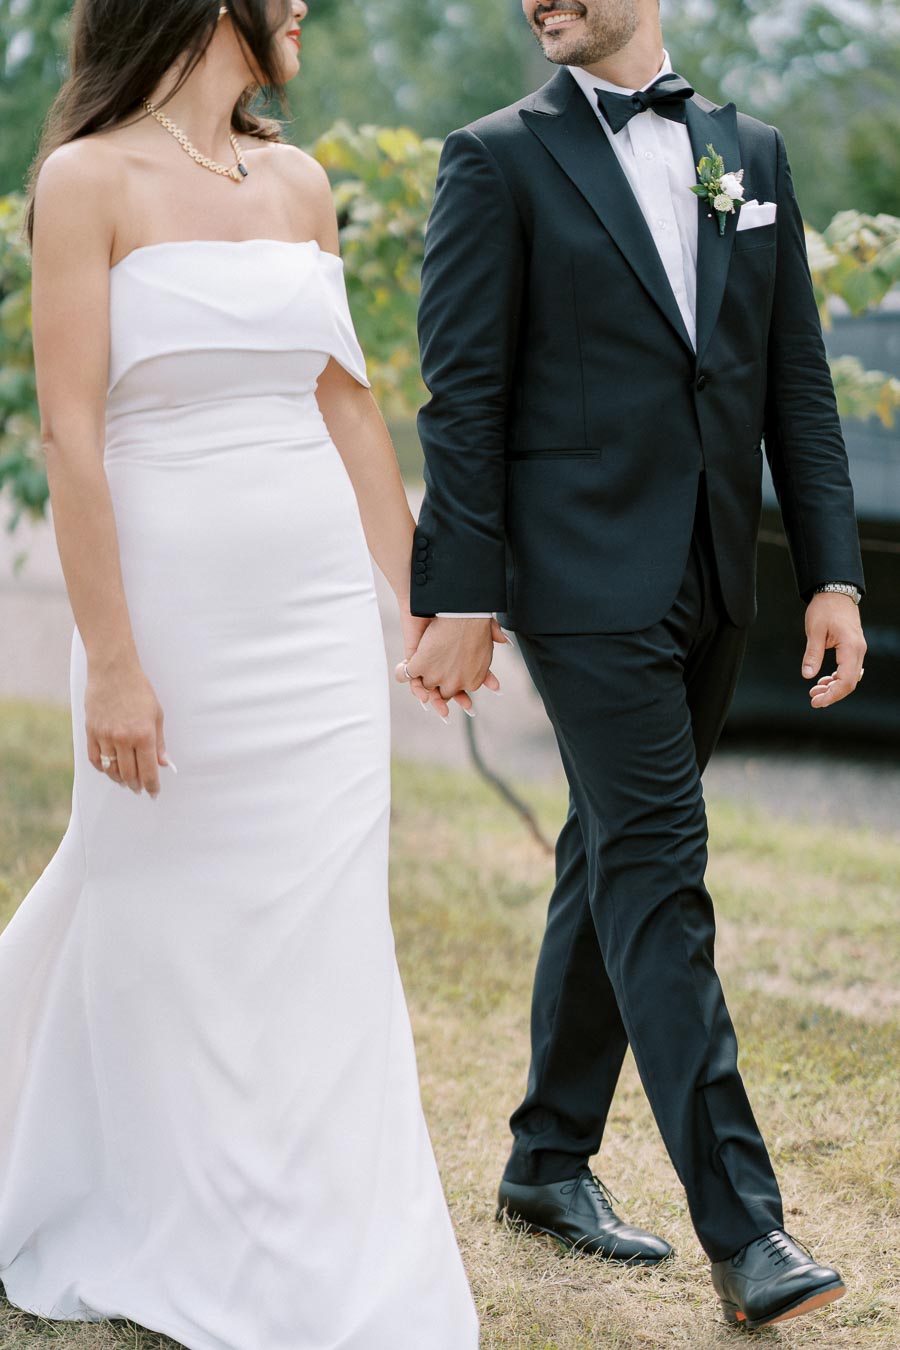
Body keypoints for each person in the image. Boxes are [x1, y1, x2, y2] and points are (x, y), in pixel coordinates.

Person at [0, 2, 482, 1346]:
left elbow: (344, 398)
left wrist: (421, 597)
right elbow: (72, 431)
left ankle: (321, 1228)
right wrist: (111, 664)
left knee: (321, 916)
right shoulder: (85, 179)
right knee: (160, 905)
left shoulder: (299, 180)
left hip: (314, 614)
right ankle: (158, 1193)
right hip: (172, 605)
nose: (303, 13)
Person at [401, 0, 867, 1332]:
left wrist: (832, 576)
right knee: (662, 868)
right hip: (579, 585)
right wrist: (462, 593)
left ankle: (548, 1156)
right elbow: (464, 394)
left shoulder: (751, 156)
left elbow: (798, 381)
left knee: (604, 850)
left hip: (716, 573)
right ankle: (750, 1230)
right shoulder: (495, 159)